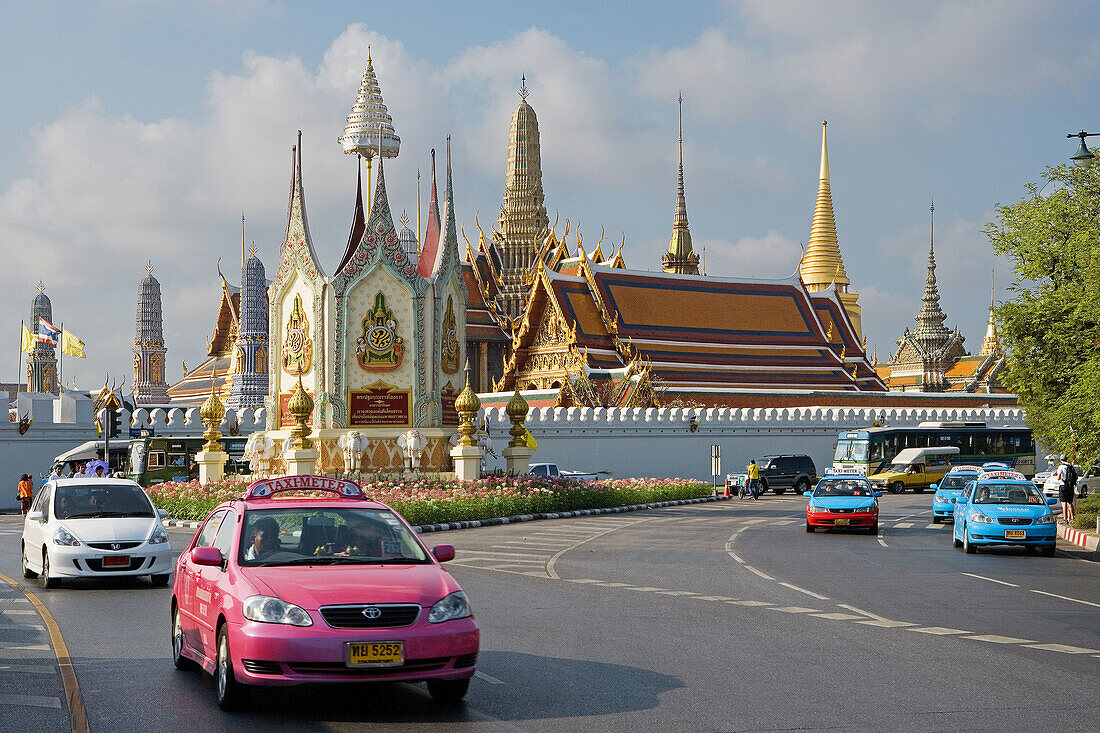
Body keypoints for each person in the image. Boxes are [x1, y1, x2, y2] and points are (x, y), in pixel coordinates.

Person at [1054, 456, 1076, 524]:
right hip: (1070, 486)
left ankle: (1065, 519)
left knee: (1064, 503)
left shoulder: (1061, 467)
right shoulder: (1072, 466)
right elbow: (1076, 477)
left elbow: (1058, 477)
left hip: (1063, 486)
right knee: (1070, 503)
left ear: (1061, 460)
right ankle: (1072, 518)